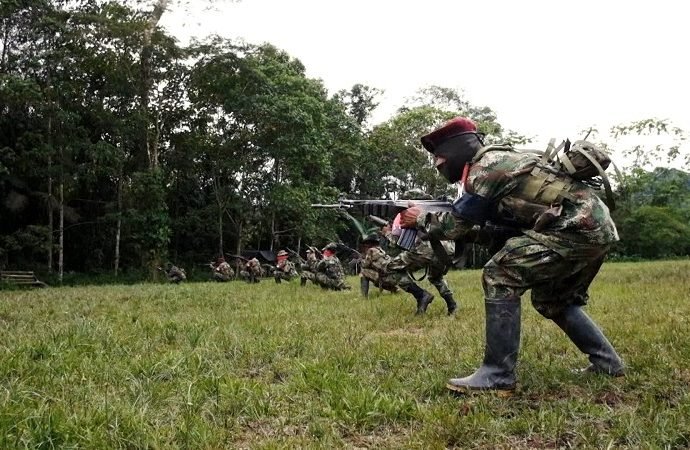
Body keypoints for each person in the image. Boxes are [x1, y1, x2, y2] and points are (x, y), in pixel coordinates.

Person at [400, 116, 624, 395]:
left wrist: (419, 219)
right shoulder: (499, 161)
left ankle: (497, 375)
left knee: (499, 274)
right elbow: (497, 231)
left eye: (440, 160)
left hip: (574, 229)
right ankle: (607, 363)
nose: (438, 167)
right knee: (554, 300)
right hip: (593, 229)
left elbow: (455, 225)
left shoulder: (485, 169)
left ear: (457, 151)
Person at [381, 189, 459, 315]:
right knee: (436, 277)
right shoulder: (437, 209)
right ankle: (452, 305)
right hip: (447, 251)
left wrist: (387, 233)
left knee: (391, 268)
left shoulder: (411, 213)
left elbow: (399, 242)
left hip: (425, 250)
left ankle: (421, 296)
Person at [359, 233, 399, 297]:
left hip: (383, 279)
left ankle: (364, 296)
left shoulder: (371, 250)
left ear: (370, 243)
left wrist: (361, 260)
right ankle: (395, 289)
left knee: (363, 272)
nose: (365, 245)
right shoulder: (381, 250)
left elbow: (365, 265)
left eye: (367, 243)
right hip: (392, 278)